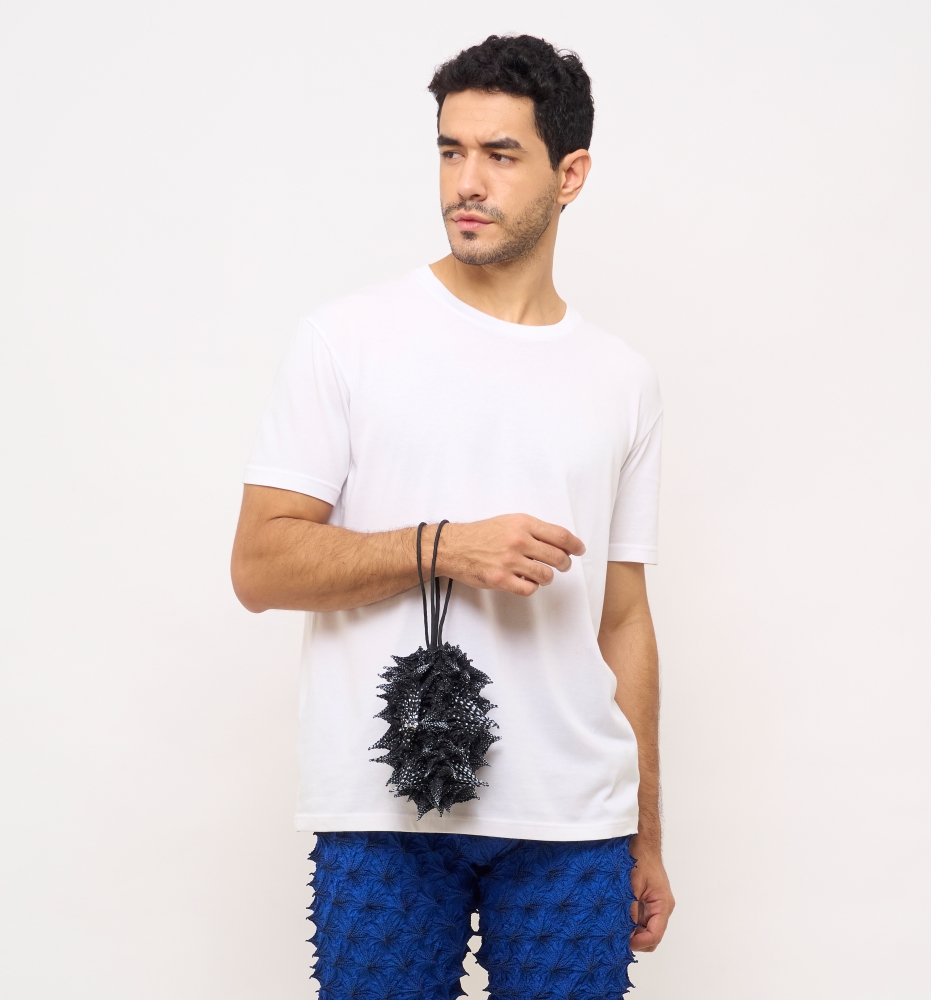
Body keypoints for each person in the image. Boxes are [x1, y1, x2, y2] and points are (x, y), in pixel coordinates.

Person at [231, 33, 674, 1000]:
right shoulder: (347, 339)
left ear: (570, 174)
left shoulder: (622, 379)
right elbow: (259, 565)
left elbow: (625, 616)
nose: (466, 182)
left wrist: (647, 832)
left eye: (500, 154)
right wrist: (443, 548)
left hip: (574, 817)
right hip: (384, 806)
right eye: (450, 150)